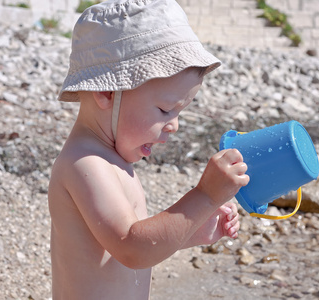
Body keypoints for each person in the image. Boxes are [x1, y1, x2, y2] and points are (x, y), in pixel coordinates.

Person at [48, 0, 249, 299]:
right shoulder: (85, 164)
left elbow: (130, 242)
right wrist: (203, 196)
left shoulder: (112, 160)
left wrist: (192, 229)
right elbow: (132, 247)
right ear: (106, 91)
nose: (174, 126)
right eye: (165, 109)